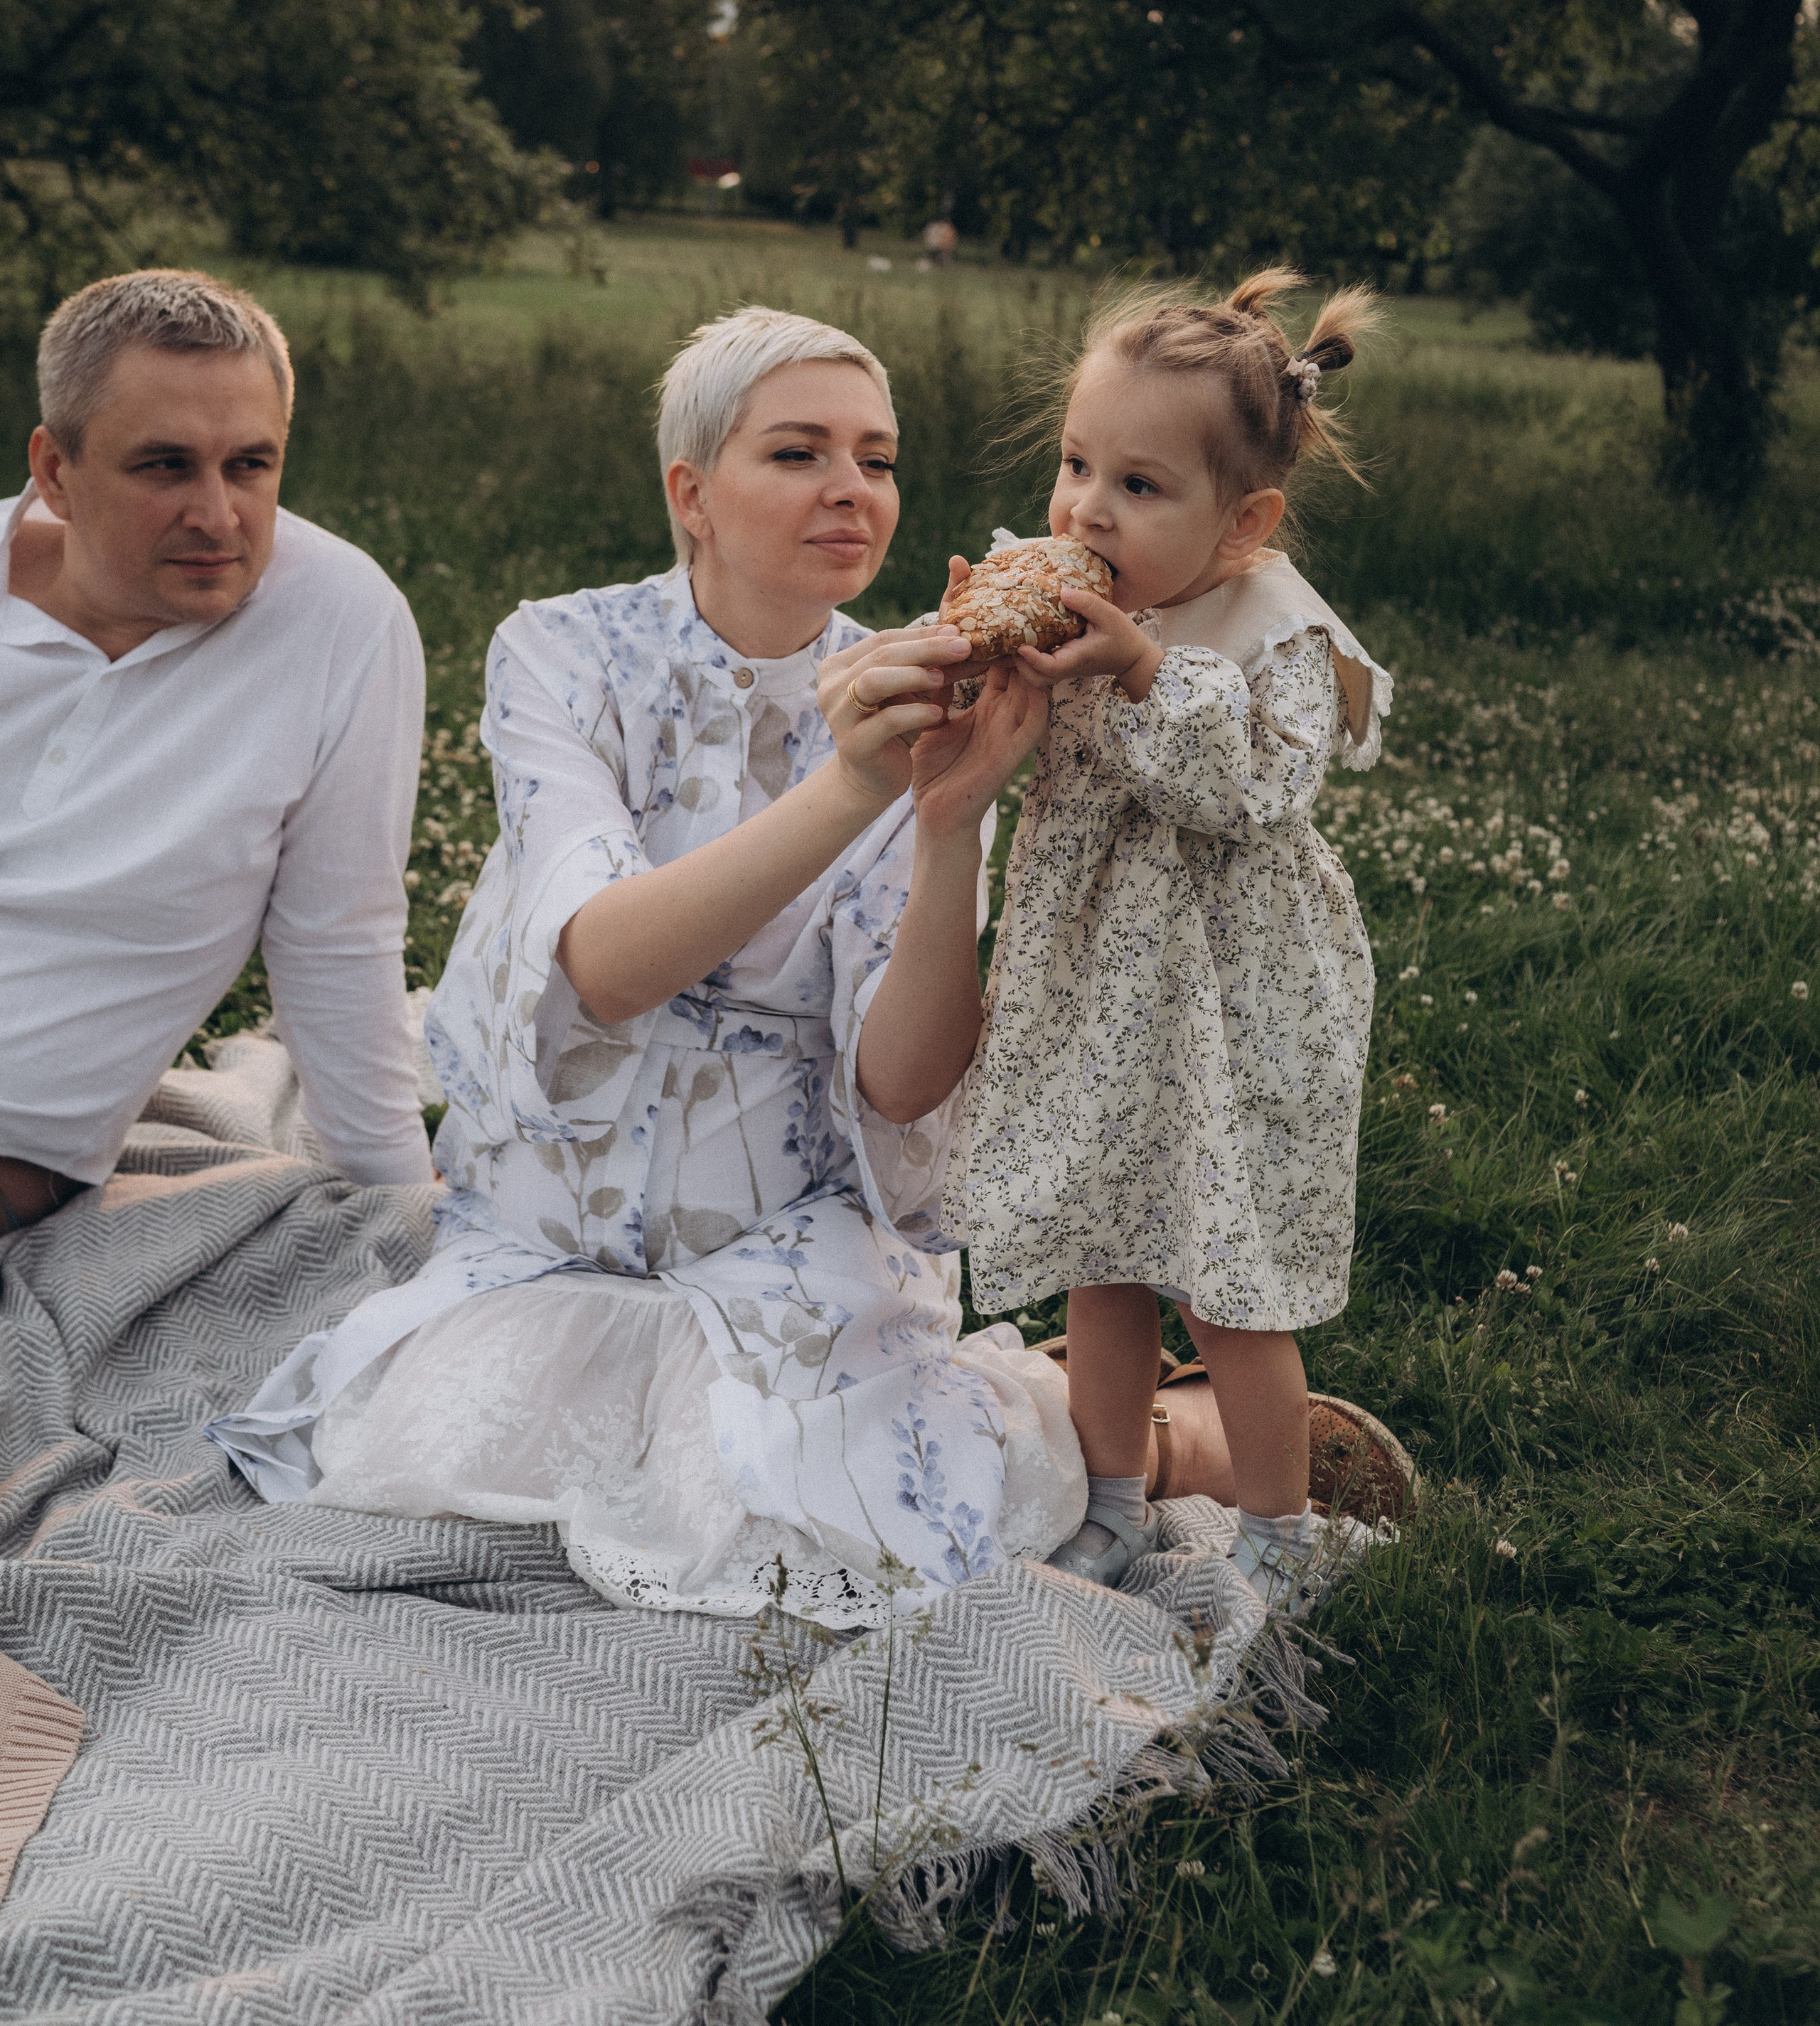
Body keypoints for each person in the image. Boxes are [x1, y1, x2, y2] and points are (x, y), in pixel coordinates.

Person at [215, 305, 1157, 1624]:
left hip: (780, 1232)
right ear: (692, 492)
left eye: (877, 460)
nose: (851, 490)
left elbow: (899, 1086)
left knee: (835, 1534)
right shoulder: (561, 653)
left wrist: (945, 828)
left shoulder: (922, 694)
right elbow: (602, 967)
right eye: (798, 454)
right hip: (558, 1237)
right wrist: (847, 788)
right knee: (427, 1467)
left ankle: (1182, 1436)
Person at [942, 271, 1393, 1602]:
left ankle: (1274, 1528)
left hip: (1230, 1007)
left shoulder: (1278, 634)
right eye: (1077, 466)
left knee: (1224, 1280)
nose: (1085, 509)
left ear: (1243, 523)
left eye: (1139, 487)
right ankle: (1114, 1499)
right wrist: (977, 657)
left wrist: (1140, 666)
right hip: (1095, 989)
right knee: (1100, 1255)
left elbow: (1256, 791)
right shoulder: (1069, 594)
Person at [0, 271, 434, 1231]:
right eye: (164, 467)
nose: (218, 516)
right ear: (56, 470)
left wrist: (403, 1207)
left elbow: (337, 941)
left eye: (250, 466)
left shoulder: (340, 622)